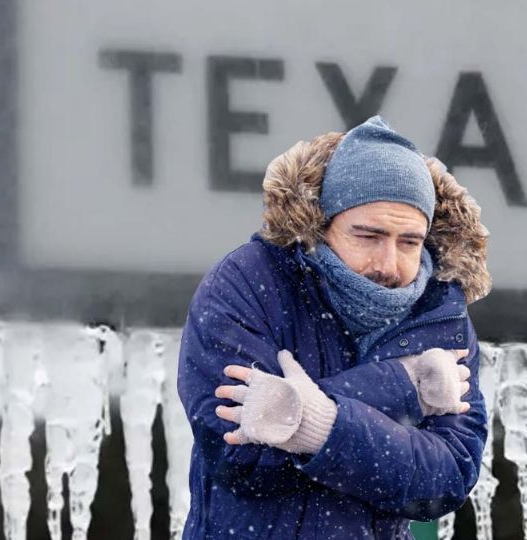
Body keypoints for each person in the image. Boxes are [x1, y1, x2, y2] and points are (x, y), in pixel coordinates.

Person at [177, 116, 492, 539]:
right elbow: (243, 456)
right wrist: (405, 387)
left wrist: (311, 419)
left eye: (409, 242)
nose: (389, 265)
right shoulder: (246, 283)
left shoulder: (439, 312)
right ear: (322, 225)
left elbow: (447, 479)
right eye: (368, 236)